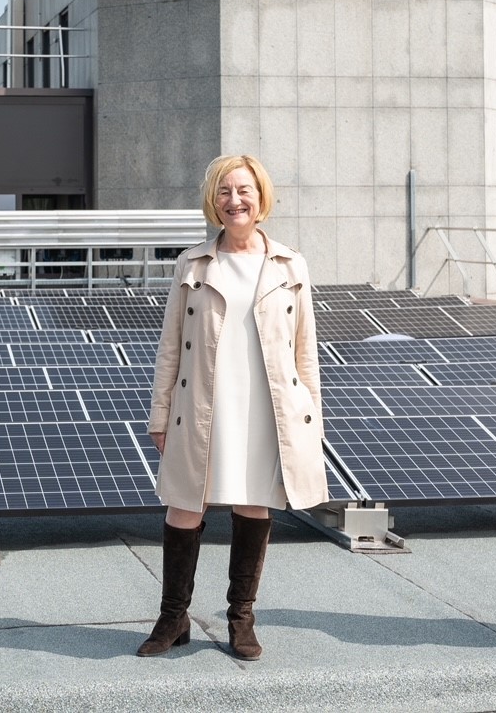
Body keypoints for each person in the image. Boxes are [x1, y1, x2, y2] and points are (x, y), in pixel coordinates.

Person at [140, 153, 326, 660]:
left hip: (268, 407)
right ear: (213, 201)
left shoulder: (291, 264)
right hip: (201, 406)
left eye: (243, 190)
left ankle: (241, 617)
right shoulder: (193, 263)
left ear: (260, 197)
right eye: (224, 192)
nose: (234, 200)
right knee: (185, 504)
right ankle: (173, 617)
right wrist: (159, 415)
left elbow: (305, 350)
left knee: (253, 503)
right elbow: (170, 347)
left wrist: (312, 420)